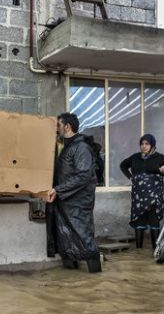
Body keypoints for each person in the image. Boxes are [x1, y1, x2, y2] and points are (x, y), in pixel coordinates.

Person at [46, 112, 101, 273]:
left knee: (85, 239)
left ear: (67, 126)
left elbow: (83, 175)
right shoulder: (67, 146)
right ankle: (70, 278)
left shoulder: (81, 147)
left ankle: (95, 274)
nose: (56, 129)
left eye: (58, 125)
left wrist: (59, 189)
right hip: (65, 201)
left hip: (77, 203)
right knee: (66, 239)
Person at [120, 134, 164, 249]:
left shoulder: (160, 158)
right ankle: (139, 250)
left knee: (154, 220)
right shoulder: (135, 157)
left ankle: (156, 249)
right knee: (139, 220)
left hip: (154, 196)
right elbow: (123, 165)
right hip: (138, 196)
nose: (144, 146)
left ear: (152, 145)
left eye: (147, 144)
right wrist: (130, 177)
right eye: (142, 144)